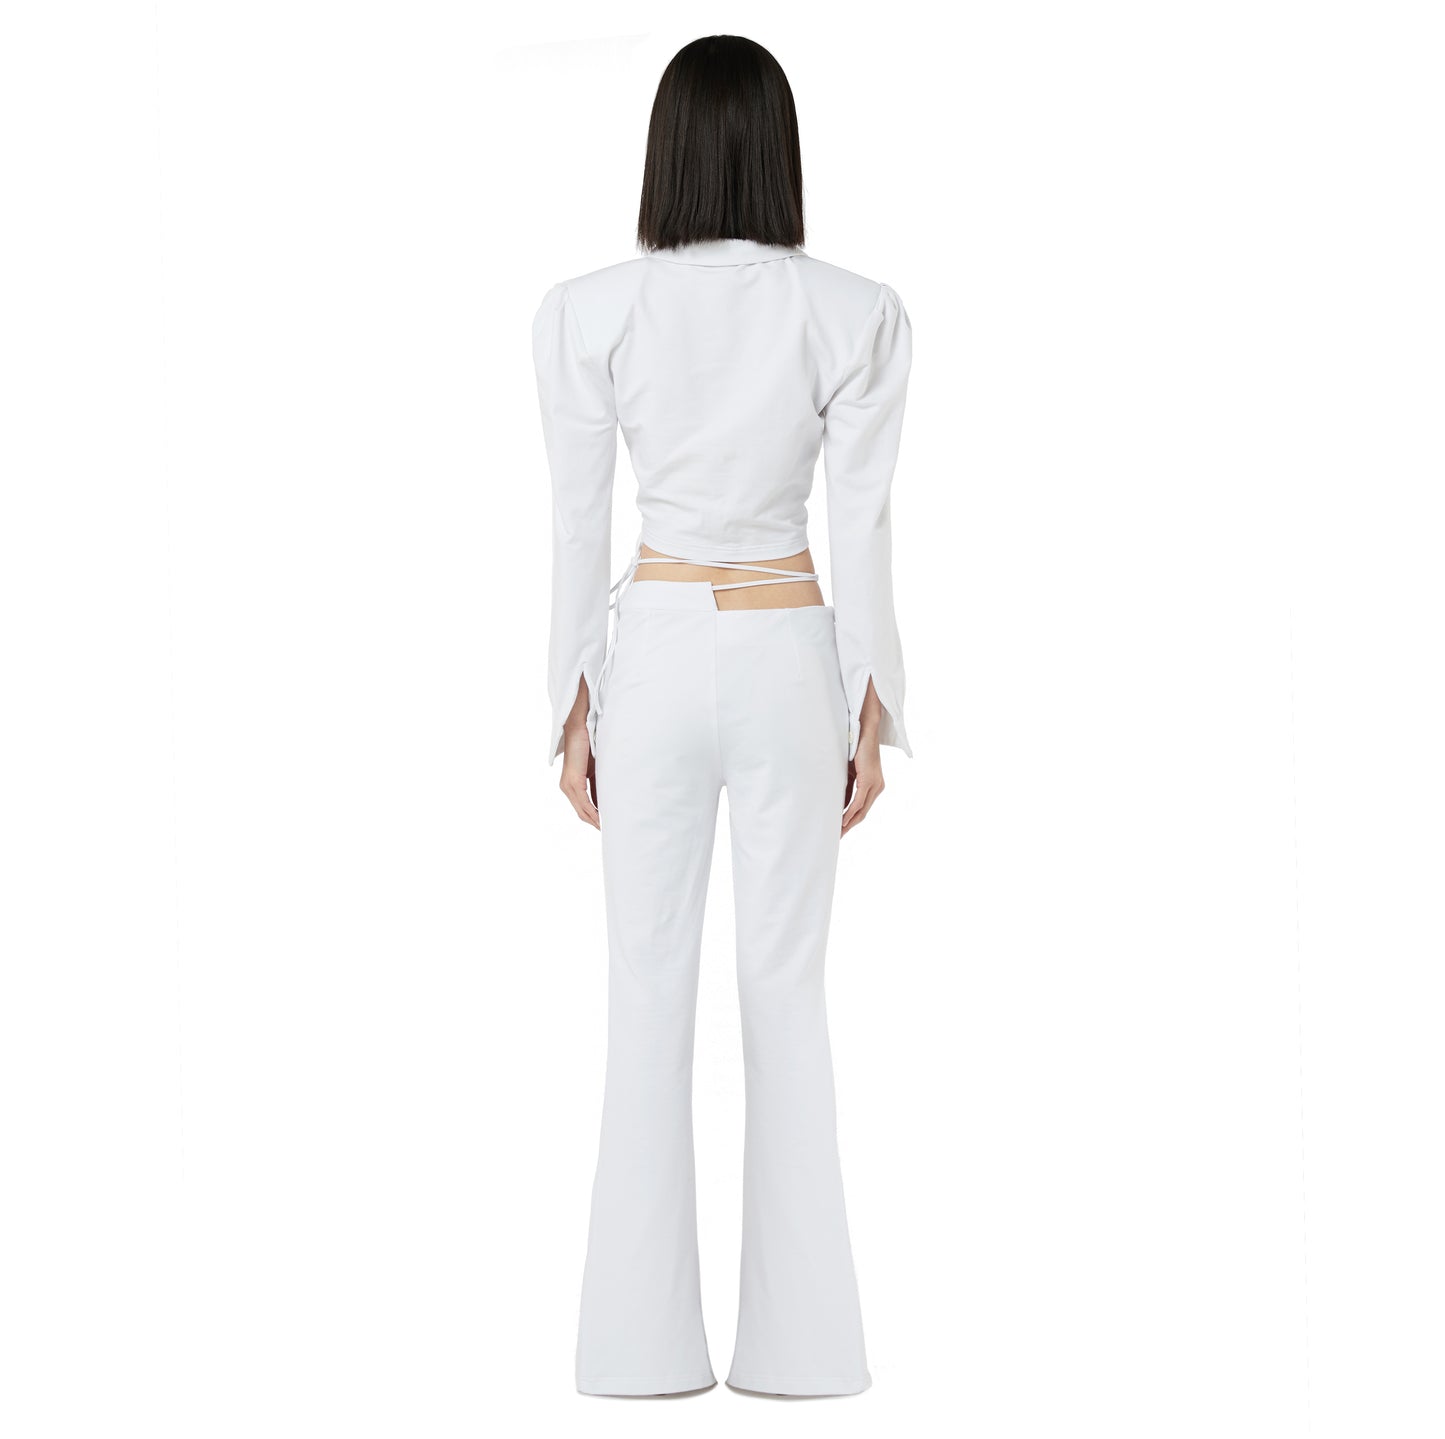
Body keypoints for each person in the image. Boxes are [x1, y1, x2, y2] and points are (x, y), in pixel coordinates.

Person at [531, 34, 913, 1399]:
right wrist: (872, 702)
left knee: (644, 991)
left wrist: (571, 697)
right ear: (780, 149)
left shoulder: (588, 312)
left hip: (652, 644)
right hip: (787, 644)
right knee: (785, 993)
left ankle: (634, 1356)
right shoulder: (855, 312)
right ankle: (804, 1357)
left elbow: (579, 519)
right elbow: (862, 522)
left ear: (666, 150)